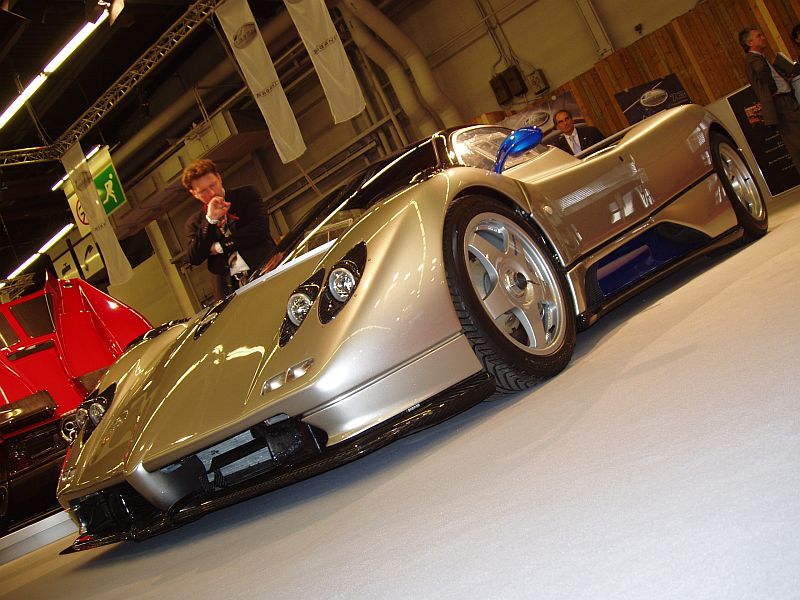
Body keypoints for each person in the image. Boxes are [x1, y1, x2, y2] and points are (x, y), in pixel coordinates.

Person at [181, 159, 276, 300]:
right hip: (229, 288)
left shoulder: (246, 195)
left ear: (219, 178)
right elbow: (195, 257)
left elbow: (258, 230)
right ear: (194, 193)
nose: (212, 193)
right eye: (203, 191)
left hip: (265, 268)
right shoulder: (195, 223)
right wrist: (210, 220)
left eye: (213, 185)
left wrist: (219, 247)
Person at [739, 27, 800, 172]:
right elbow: (761, 71)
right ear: (750, 42)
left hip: (781, 103)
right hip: (783, 103)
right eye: (759, 36)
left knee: (794, 147)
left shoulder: (757, 58)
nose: (763, 37)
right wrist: (772, 88)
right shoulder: (754, 59)